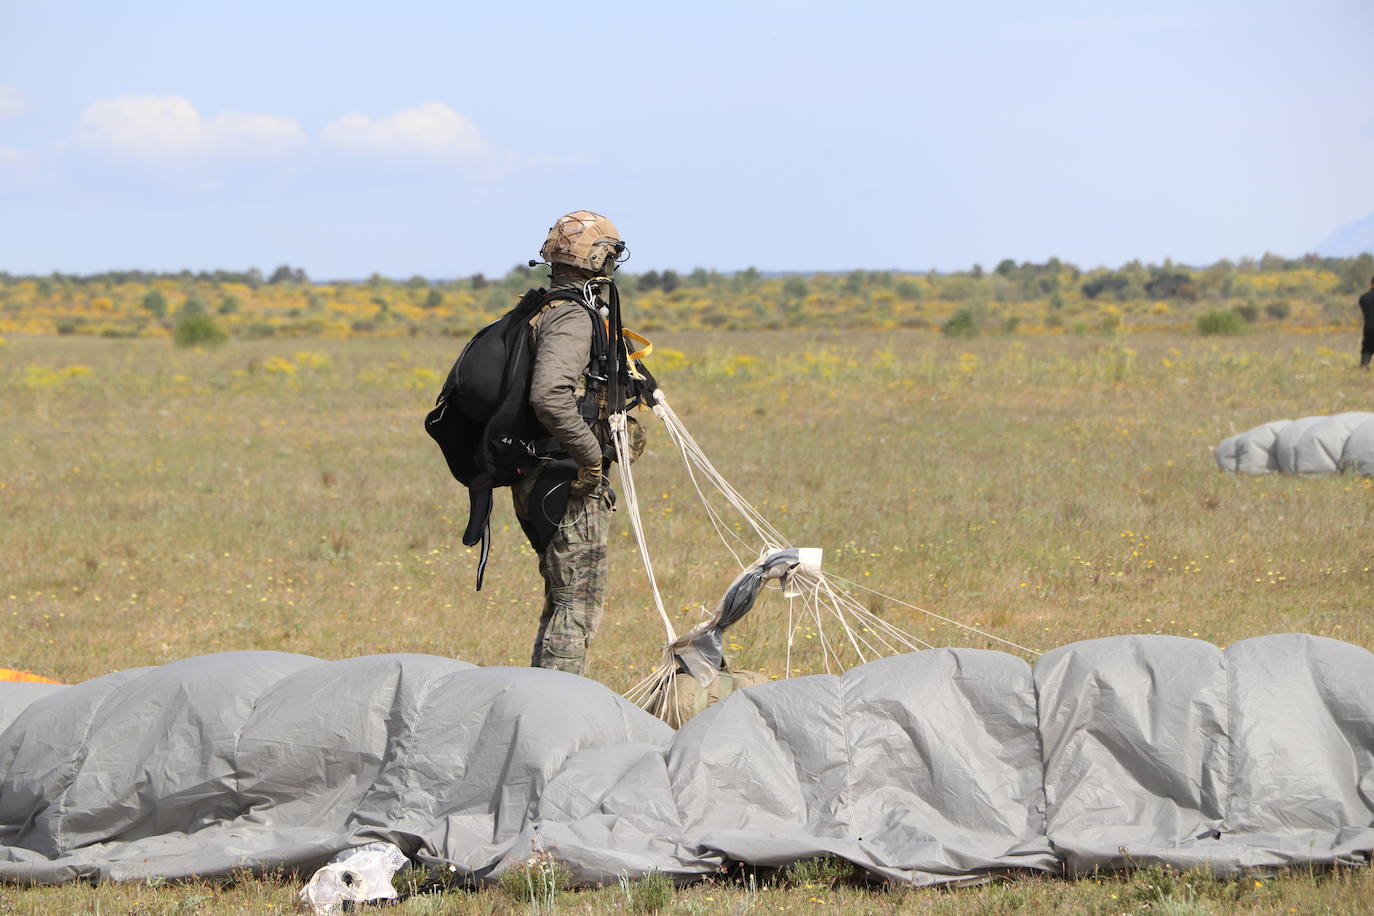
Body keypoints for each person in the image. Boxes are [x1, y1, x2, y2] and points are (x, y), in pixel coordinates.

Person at [513, 210, 632, 675]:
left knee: (562, 598)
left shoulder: (541, 309)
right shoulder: (571, 319)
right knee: (577, 602)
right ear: (599, 257)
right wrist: (590, 460)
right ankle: (555, 711)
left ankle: (542, 698)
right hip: (564, 480)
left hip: (542, 475)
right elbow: (550, 396)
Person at [1360, 275, 1374, 369]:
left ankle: (1364, 367)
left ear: (1371, 283)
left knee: (1367, 349)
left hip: (1369, 329)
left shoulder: (1364, 298)